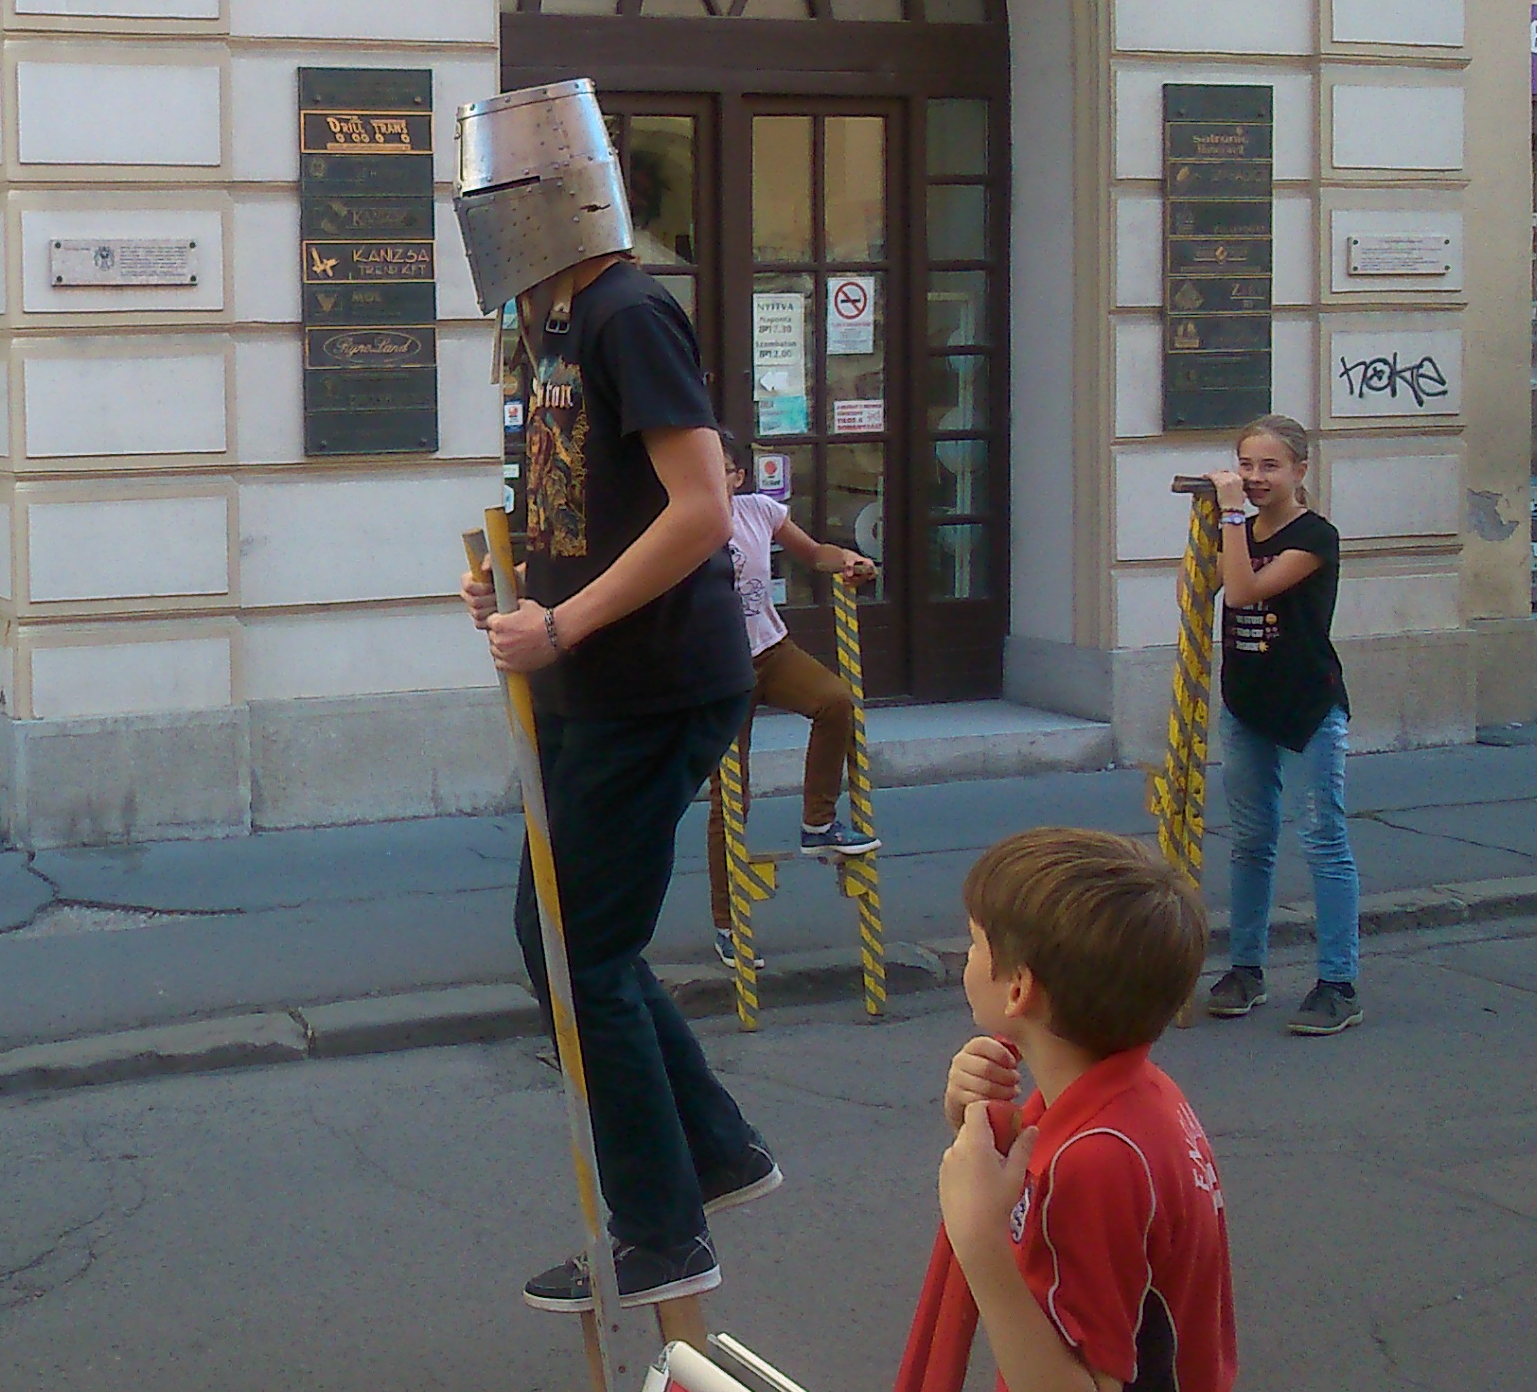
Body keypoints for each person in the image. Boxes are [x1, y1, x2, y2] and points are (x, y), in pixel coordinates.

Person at [453, 79, 777, 1316]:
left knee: (578, 952)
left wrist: (564, 622)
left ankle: (662, 1229)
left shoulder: (627, 312)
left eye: (497, 197)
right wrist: (517, 588)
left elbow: (699, 510)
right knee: (569, 940)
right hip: (596, 684)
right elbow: (588, 505)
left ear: (552, 198)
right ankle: (714, 1153)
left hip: (649, 685)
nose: (484, 221)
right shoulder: (555, 322)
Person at [900, 828, 1236, 1392]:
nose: (966, 957)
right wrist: (980, 1124)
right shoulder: (1137, 1097)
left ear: (1018, 989)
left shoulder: (1093, 1162)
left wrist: (979, 1241)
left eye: (976, 943)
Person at [1195, 414, 1361, 1036]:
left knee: (1323, 838)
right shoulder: (1236, 527)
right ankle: (1246, 969)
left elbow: (1243, 591)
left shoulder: (1315, 536)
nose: (1256, 477)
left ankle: (1338, 983)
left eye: (1270, 466)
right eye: (1246, 465)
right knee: (1251, 839)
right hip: (1247, 703)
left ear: (1299, 471)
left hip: (1307, 705)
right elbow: (1205, 584)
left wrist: (1232, 515)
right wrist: (1226, 522)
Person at [702, 430, 879, 972]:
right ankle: (728, 924)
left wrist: (847, 559)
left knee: (835, 702)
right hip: (715, 669)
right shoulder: (683, 521)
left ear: (737, 477)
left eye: (720, 468)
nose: (708, 476)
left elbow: (813, 553)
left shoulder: (760, 511)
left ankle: (818, 823)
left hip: (769, 650)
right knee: (731, 798)